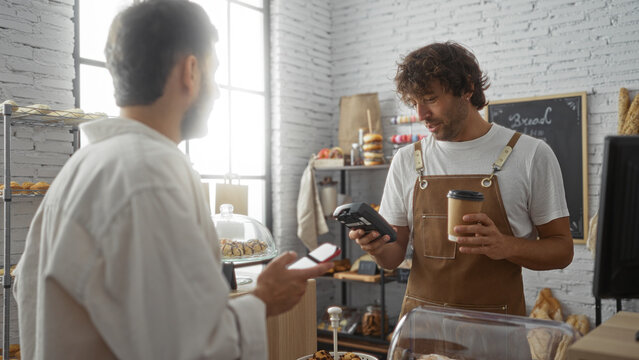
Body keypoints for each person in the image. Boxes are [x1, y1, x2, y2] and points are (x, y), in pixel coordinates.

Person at [13, 2, 331, 359]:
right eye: (215, 72)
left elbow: (28, 295)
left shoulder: (79, 168)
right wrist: (263, 300)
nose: (217, 92)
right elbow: (183, 348)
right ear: (190, 71)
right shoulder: (151, 175)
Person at [350, 42, 573, 318]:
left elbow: (562, 249)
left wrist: (506, 246)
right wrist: (376, 247)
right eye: (414, 103)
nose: (421, 115)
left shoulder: (530, 155)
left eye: (431, 99)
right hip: (423, 332)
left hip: (498, 334)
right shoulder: (407, 160)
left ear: (467, 88)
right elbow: (393, 258)